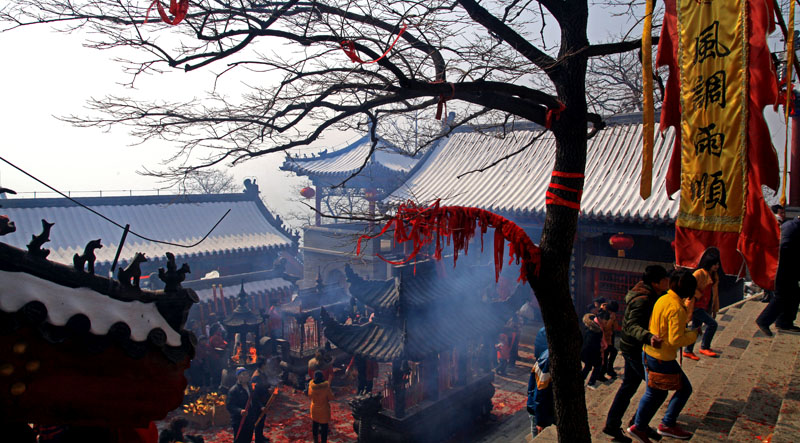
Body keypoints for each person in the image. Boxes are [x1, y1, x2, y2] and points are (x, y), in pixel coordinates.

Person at [628, 269, 699, 442]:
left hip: (649, 352)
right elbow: (675, 339)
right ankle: (665, 424)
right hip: (663, 357)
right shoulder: (676, 308)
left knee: (653, 393)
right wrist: (693, 334)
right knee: (684, 389)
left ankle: (639, 426)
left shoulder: (663, 299)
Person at [602, 265, 668, 443]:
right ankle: (638, 425)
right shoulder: (643, 299)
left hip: (635, 347)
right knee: (657, 389)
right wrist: (648, 336)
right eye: (665, 279)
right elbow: (631, 326)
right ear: (655, 282)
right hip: (635, 349)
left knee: (629, 387)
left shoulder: (650, 293)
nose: (667, 282)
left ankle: (614, 425)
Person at [757, 216, 800, 335]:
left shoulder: (792, 226)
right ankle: (763, 320)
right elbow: (784, 247)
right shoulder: (792, 228)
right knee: (783, 296)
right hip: (783, 268)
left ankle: (784, 322)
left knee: (793, 295)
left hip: (789, 268)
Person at [683, 250, 721, 360]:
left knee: (696, 327)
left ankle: (688, 350)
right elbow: (690, 285)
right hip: (696, 305)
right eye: (715, 264)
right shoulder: (699, 273)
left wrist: (714, 307)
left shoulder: (714, 275)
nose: (717, 266)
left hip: (704, 305)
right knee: (712, 324)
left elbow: (714, 293)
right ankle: (705, 346)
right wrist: (698, 295)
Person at [527, 327, 553, 438]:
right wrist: (540, 420)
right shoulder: (547, 361)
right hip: (537, 409)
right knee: (537, 434)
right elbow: (539, 394)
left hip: (544, 406)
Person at [225, 367, 251, 442]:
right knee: (239, 439)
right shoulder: (233, 390)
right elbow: (229, 406)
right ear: (238, 377)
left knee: (248, 438)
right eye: (243, 374)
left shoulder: (250, 386)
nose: (245, 376)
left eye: (246, 374)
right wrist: (240, 411)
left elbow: (254, 399)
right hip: (239, 420)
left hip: (249, 418)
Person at [581, 312, 607, 389]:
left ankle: (581, 381)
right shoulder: (595, 331)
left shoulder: (587, 328)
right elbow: (593, 344)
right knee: (597, 365)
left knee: (588, 366)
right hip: (591, 352)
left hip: (586, 351)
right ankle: (591, 382)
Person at [309, 370, 334, 443]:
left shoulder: (311, 387)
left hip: (314, 409)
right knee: (324, 428)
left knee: (315, 425)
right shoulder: (326, 387)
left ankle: (315, 440)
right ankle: (323, 441)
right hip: (324, 410)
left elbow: (309, 396)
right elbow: (331, 398)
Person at [250, 359, 272, 443]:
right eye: (266, 364)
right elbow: (254, 394)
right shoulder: (256, 377)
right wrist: (261, 406)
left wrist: (269, 388)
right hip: (258, 404)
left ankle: (260, 436)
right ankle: (258, 439)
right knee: (258, 422)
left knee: (262, 421)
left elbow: (265, 384)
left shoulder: (263, 373)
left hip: (264, 400)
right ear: (262, 365)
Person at [600, 301, 620, 379]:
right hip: (604, 339)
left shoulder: (612, 315)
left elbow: (615, 327)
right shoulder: (603, 314)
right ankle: (602, 374)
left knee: (613, 352)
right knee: (604, 357)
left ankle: (609, 369)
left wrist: (614, 320)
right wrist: (611, 319)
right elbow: (605, 328)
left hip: (610, 338)